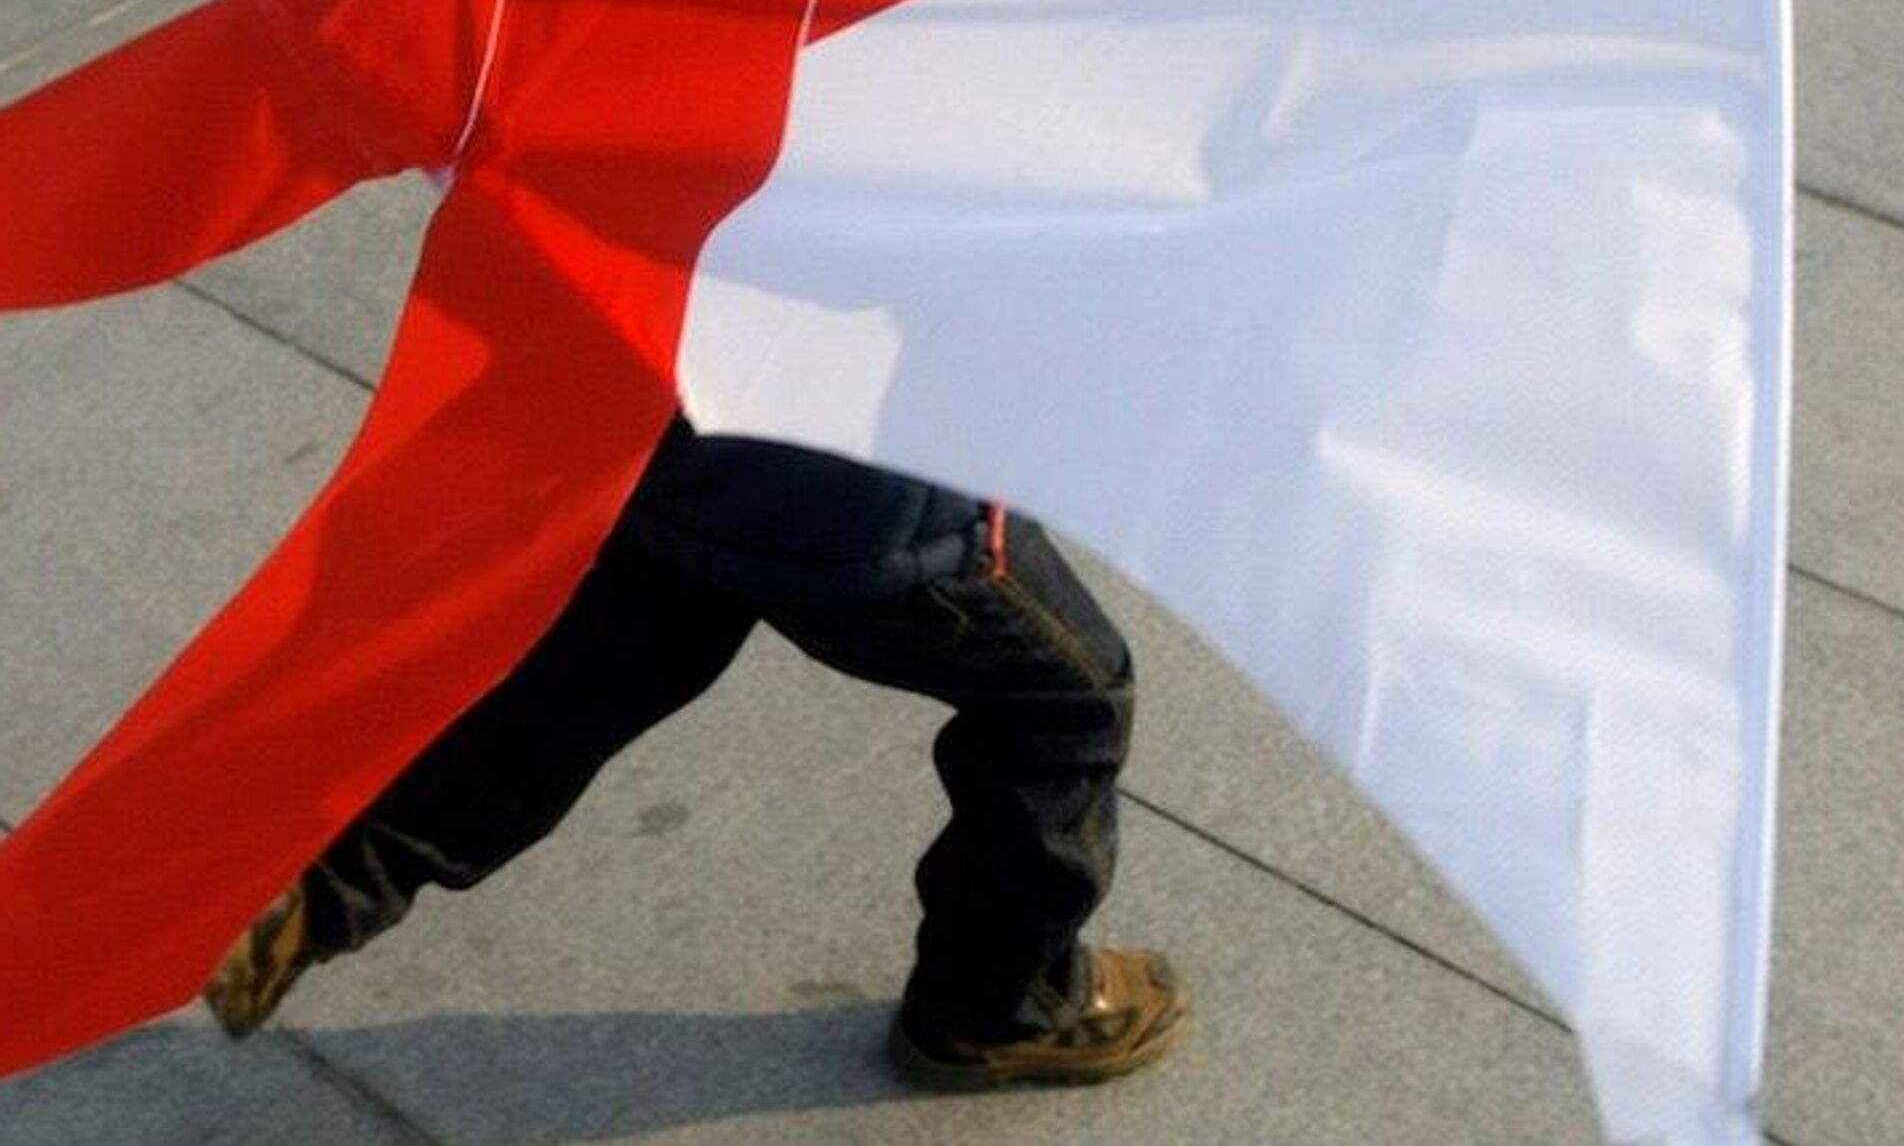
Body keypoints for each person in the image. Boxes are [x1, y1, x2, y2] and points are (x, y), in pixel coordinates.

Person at [203, 414, 1189, 1087]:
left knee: (565, 703)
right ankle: (992, 1009)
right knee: (1066, 698)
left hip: (684, 449)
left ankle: (312, 892)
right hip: (866, 501)